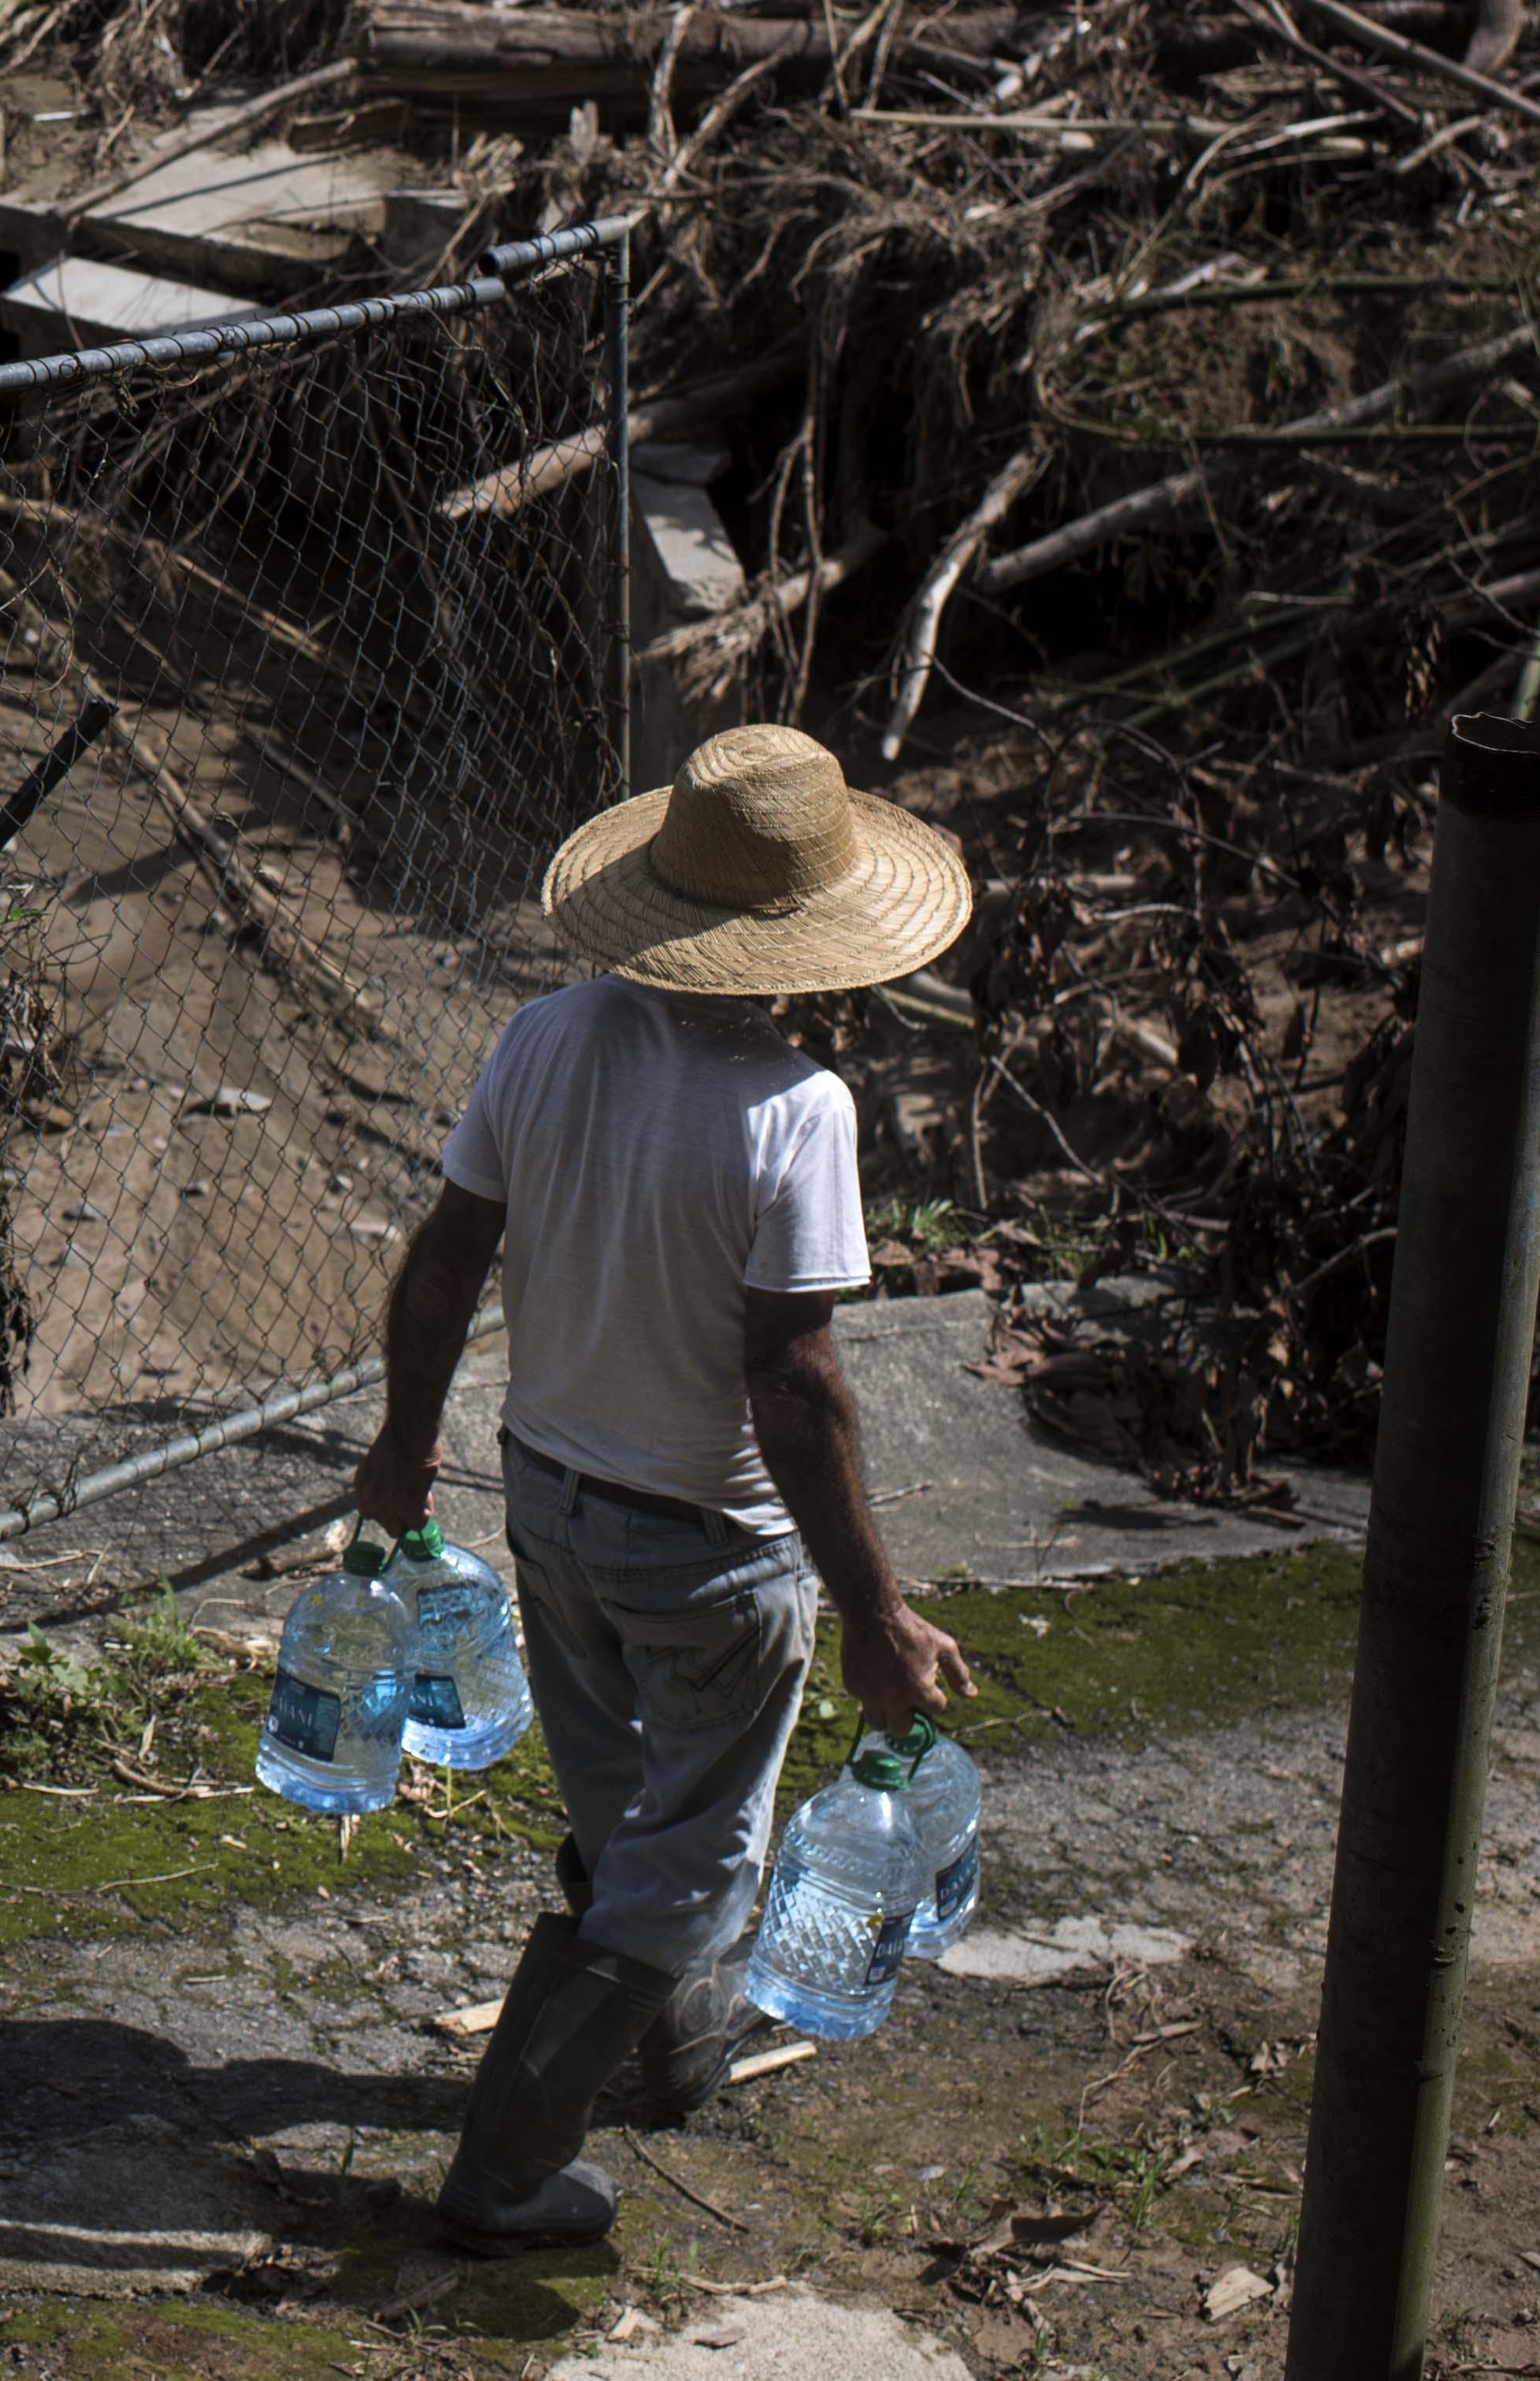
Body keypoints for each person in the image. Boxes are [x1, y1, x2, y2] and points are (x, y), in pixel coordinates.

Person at [349, 721, 987, 2251]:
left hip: (549, 1498)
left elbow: (443, 1261)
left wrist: (399, 1439)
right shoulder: (793, 1109)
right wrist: (875, 1611)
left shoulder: (542, 1036)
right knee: (694, 1851)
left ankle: (661, 2044)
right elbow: (792, 1384)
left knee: (626, 1820)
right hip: (705, 1551)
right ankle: (504, 2160)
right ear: (807, 933)